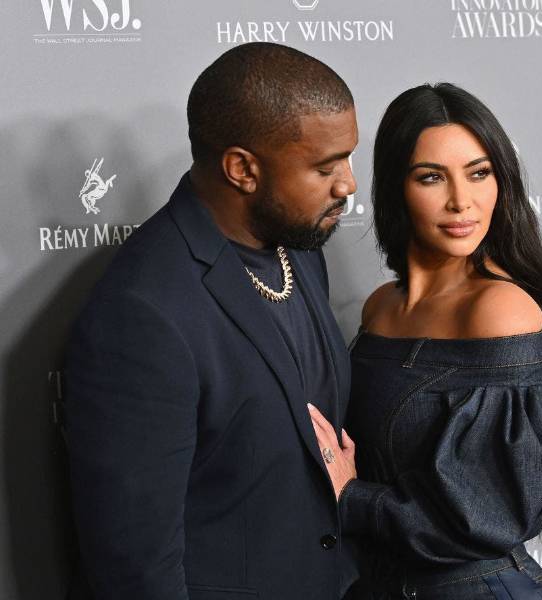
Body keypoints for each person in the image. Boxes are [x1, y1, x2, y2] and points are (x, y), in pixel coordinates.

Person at [65, 42, 359, 600]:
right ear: (242, 169)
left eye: (347, 159)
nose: (347, 184)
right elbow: (136, 567)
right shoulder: (143, 311)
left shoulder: (298, 249)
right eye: (324, 167)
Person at [308, 83, 542, 599]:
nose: (462, 201)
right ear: (397, 187)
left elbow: (492, 515)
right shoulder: (381, 306)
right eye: (432, 177)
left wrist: (354, 499)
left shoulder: (499, 310)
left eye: (479, 173)